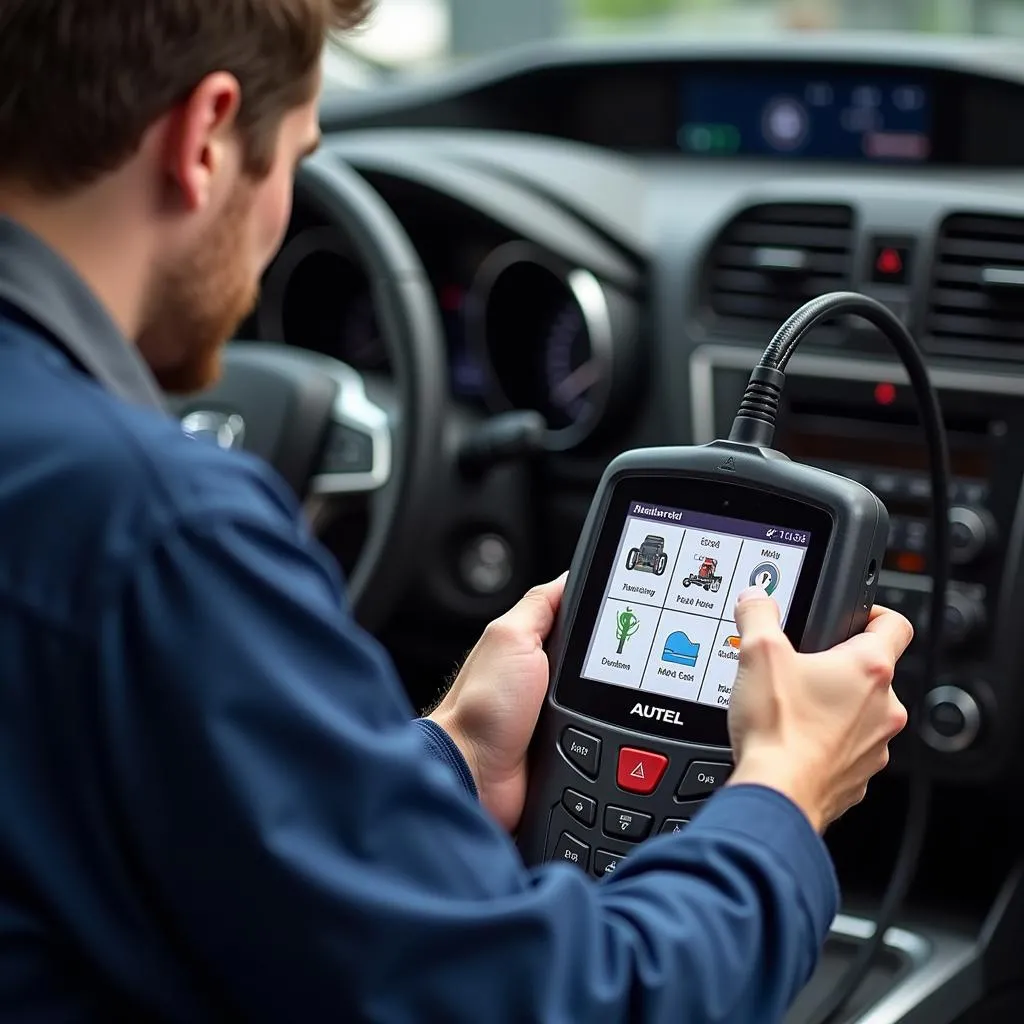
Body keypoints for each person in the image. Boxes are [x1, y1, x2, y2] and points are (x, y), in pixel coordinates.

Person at [0, 2, 912, 1022]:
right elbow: (553, 1002)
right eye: (298, 157)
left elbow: (196, 847)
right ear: (204, 137)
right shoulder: (155, 528)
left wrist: (446, 762)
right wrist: (785, 790)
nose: (279, 217)